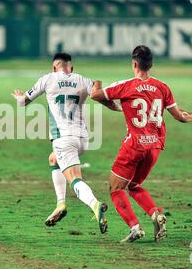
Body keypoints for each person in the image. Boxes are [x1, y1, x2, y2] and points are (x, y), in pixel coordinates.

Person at [90, 45, 192, 242]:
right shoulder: (162, 88)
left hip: (134, 146)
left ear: (134, 63)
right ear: (151, 65)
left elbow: (96, 95)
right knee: (135, 185)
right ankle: (156, 215)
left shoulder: (126, 85)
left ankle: (135, 227)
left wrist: (97, 84)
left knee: (116, 188)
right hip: (154, 147)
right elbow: (179, 116)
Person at [12, 53, 122, 233]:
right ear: (71, 68)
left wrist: (18, 97)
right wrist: (119, 108)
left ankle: (95, 205)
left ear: (54, 67)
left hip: (63, 140)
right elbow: (102, 97)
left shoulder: (48, 79)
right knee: (53, 160)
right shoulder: (82, 79)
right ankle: (60, 204)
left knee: (75, 179)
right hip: (83, 139)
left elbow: (24, 101)